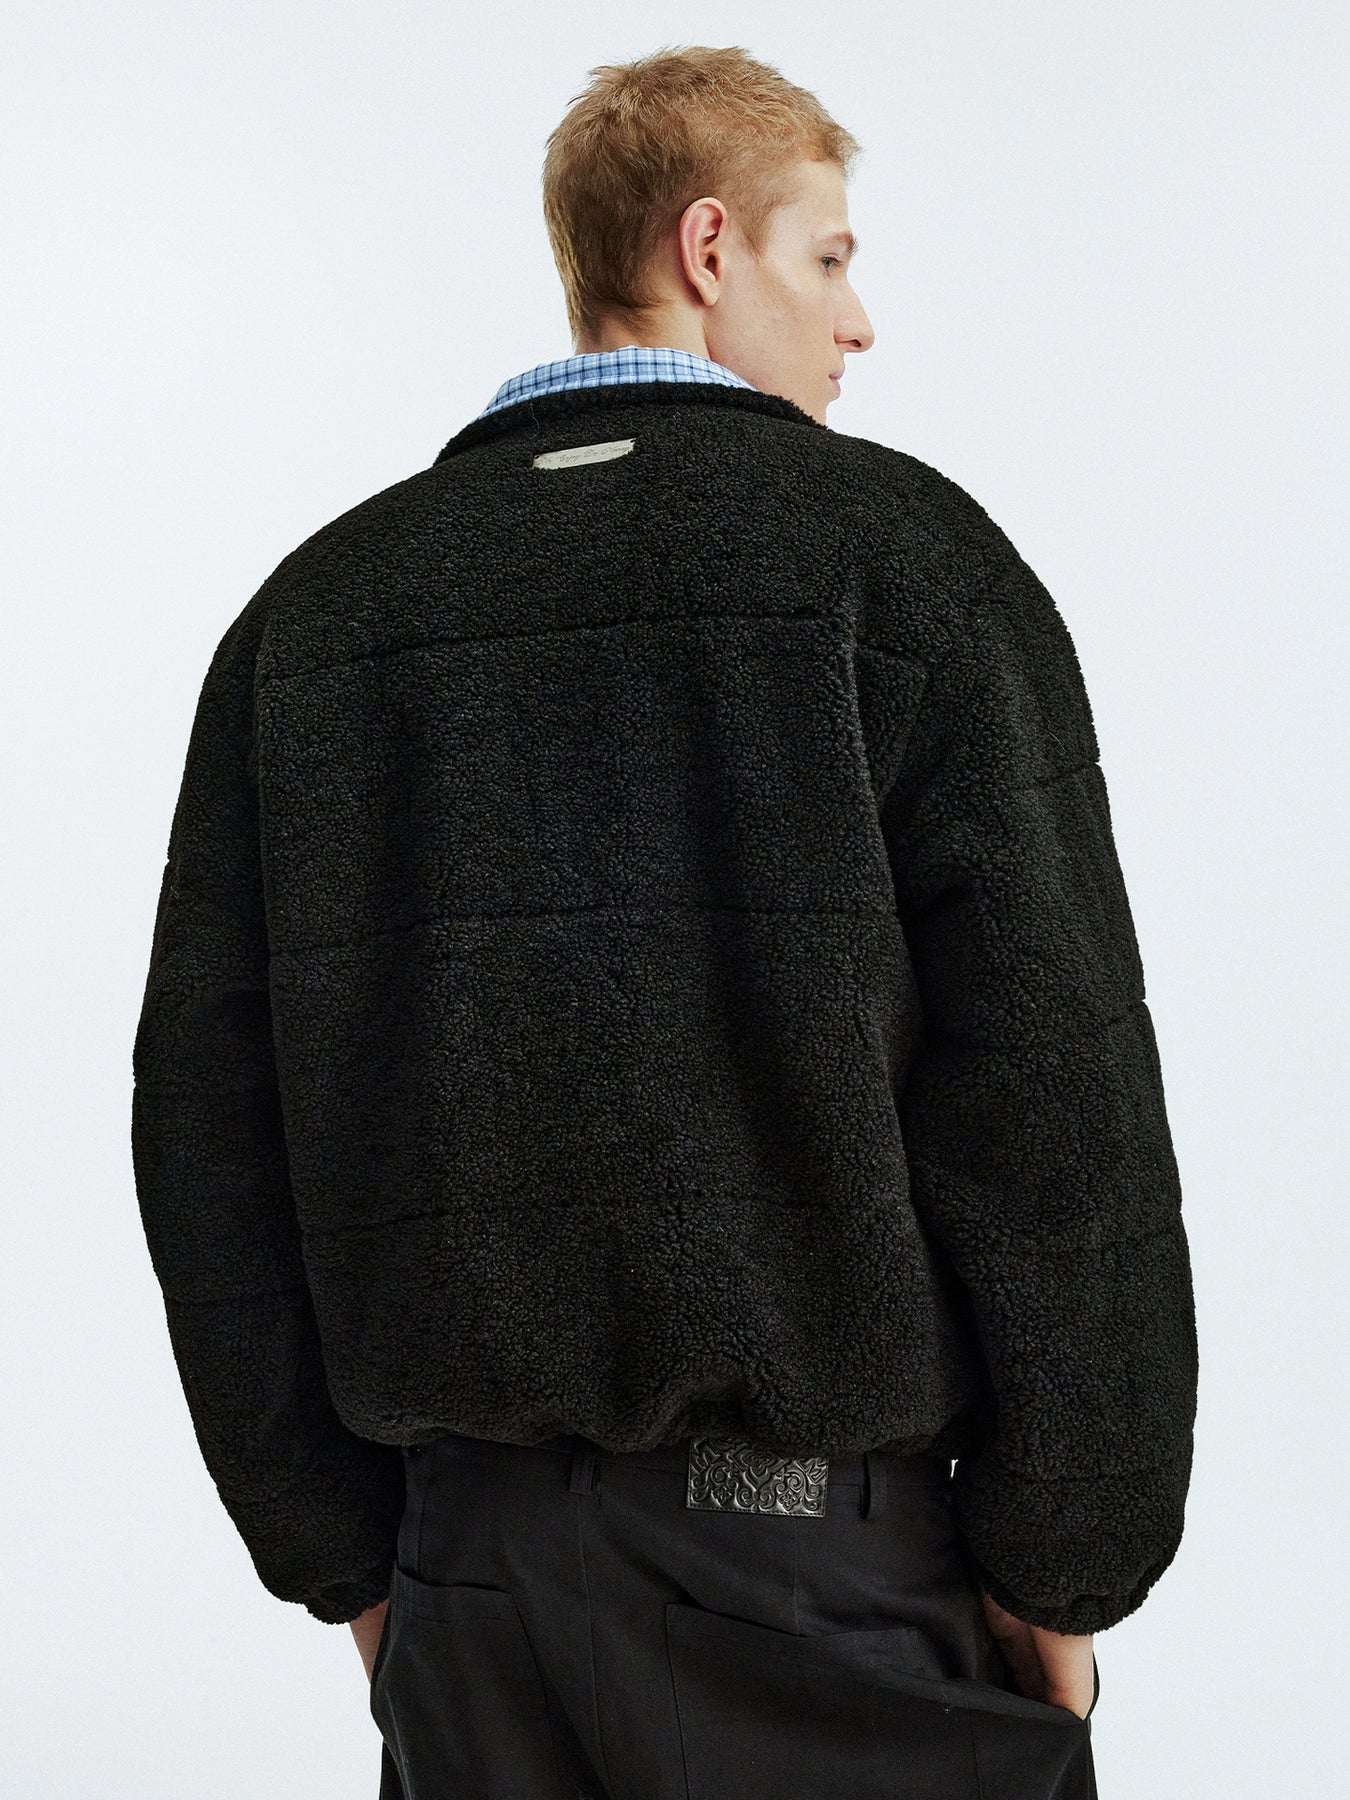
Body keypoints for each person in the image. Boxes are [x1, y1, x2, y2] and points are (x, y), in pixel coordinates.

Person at [130, 43, 1199, 1800]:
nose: (858, 324)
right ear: (709, 247)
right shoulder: (899, 565)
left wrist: (352, 1563)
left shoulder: (316, 618)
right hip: (830, 1588)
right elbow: (1048, 1098)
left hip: (474, 1593)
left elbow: (209, 1133)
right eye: (828, 256)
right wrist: (1067, 1556)